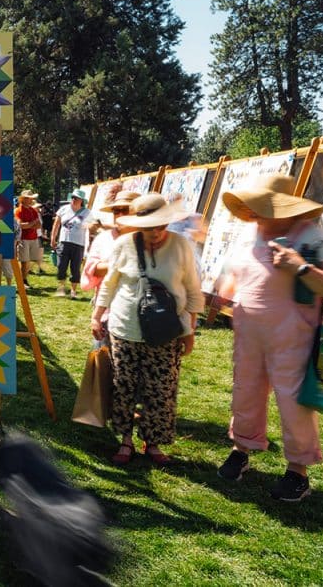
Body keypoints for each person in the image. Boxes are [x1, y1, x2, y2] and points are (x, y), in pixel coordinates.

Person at [215, 174, 323, 501]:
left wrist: (300, 267)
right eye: (257, 208)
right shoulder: (248, 233)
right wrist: (220, 294)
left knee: (293, 400)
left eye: (265, 209)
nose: (258, 215)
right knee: (245, 390)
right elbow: (235, 272)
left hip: (293, 335)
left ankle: (297, 472)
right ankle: (241, 449)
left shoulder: (310, 235)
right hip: (249, 333)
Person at [91, 193, 204, 465]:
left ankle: (152, 442)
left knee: (161, 388)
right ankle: (125, 441)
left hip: (166, 332)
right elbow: (109, 284)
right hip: (124, 328)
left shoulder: (181, 246)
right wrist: (96, 316)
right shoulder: (123, 245)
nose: (156, 232)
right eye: (149, 227)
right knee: (124, 387)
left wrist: (190, 329)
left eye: (161, 225)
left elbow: (192, 289)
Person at [51, 189, 91, 299]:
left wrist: (89, 243)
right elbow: (56, 224)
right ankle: (61, 288)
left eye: (76, 198)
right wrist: (52, 238)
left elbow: (91, 228)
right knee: (61, 266)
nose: (73, 199)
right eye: (73, 197)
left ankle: (73, 291)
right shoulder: (63, 209)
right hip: (64, 242)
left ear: (81, 200)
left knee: (75, 268)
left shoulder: (87, 212)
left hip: (78, 244)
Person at [14, 190, 42, 289]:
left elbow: (38, 225)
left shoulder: (33, 210)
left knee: (29, 261)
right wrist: (32, 224)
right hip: (23, 239)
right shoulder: (18, 210)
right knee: (24, 261)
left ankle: (24, 279)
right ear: (24, 199)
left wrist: (30, 224)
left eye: (32, 199)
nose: (31, 200)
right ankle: (22, 281)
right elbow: (21, 225)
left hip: (33, 238)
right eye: (30, 199)